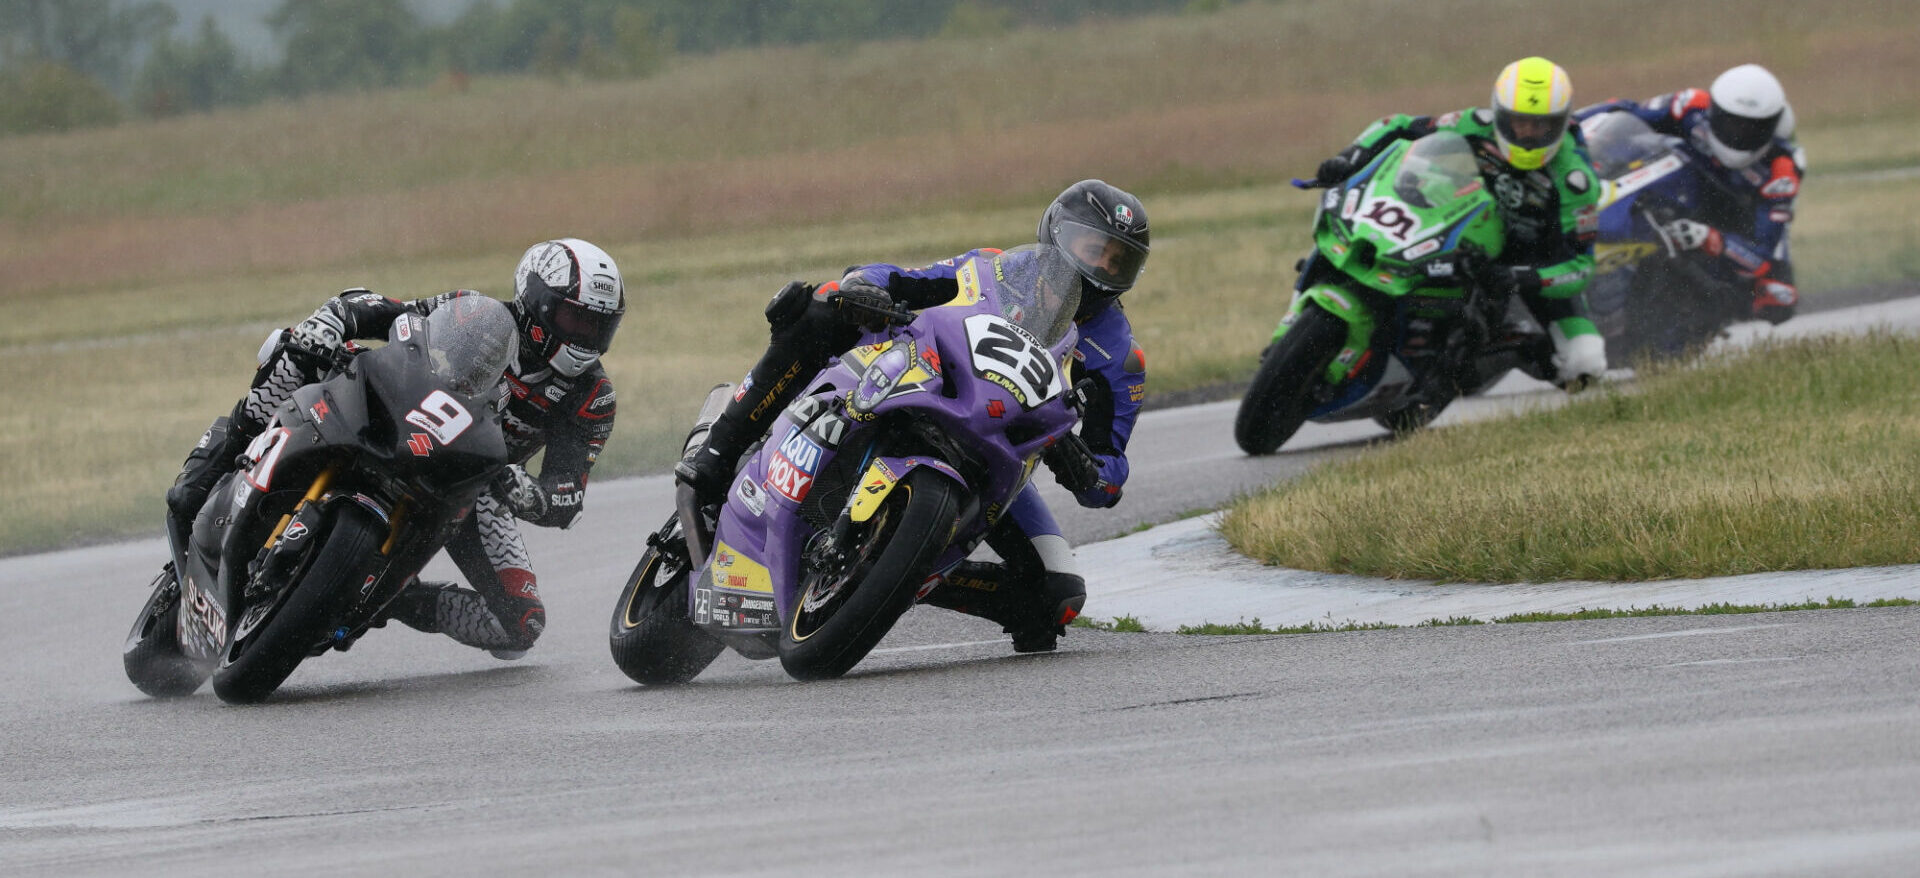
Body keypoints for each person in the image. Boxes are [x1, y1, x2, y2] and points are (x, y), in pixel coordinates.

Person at [675, 180, 1151, 653]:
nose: (1100, 269)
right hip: (919, 382)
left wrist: (1084, 465)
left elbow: (1109, 476)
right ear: (1056, 235)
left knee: (1057, 595)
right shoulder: (999, 268)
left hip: (997, 457)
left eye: (1118, 262)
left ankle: (889, 572)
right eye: (1093, 250)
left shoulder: (1119, 358)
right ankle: (719, 448)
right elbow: (906, 279)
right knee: (819, 307)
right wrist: (866, 286)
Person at [163, 239, 625, 659]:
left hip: (472, 485)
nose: (586, 336)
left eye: (600, 326)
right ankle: (227, 452)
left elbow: (567, 493)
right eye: (575, 319)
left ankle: (394, 599)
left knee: (520, 628)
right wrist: (335, 320)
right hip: (395, 419)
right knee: (296, 348)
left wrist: (527, 492)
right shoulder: (472, 313)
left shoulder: (593, 398)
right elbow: (392, 315)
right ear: (537, 302)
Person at [1310, 56, 1607, 388]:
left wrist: (1517, 276)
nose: (1526, 133)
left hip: (1530, 264)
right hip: (1469, 225)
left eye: (1541, 125)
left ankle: (1510, 351)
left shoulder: (1575, 182)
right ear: (1499, 112)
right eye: (1518, 122)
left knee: (1586, 365)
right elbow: (1398, 124)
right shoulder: (1477, 122)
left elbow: (1580, 267)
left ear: (1561, 123)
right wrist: (1349, 156)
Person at [1574, 63, 1803, 325]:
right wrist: (1571, 125)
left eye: (1750, 129)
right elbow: (1626, 110)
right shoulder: (1692, 105)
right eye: (1730, 123)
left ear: (1770, 128)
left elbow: (1761, 254)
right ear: (1714, 110)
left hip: (1733, 223)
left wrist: (1710, 238)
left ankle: (1686, 321)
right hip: (1681, 190)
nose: (1738, 134)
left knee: (1780, 296)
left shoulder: (1780, 172)